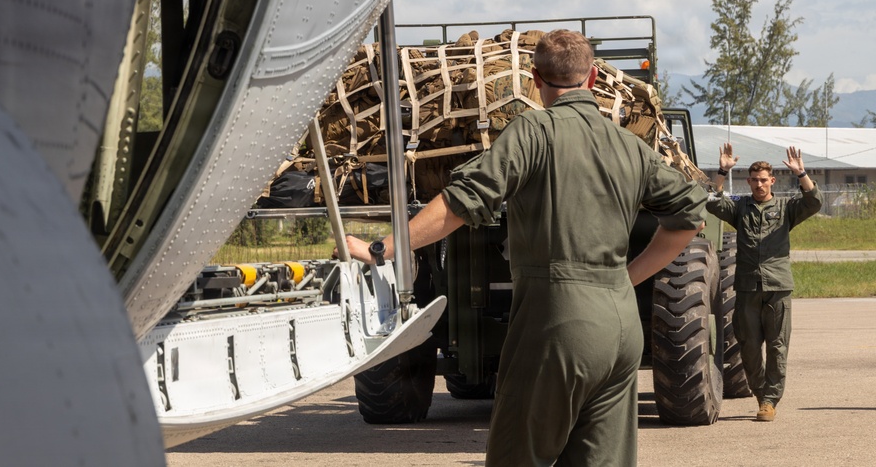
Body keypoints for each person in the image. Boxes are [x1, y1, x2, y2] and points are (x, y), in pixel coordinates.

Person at [346, 30, 707, 466]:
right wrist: (627, 278)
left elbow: (462, 201)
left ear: (535, 78)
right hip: (621, 330)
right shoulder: (629, 146)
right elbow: (691, 216)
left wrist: (382, 250)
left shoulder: (534, 130)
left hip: (557, 323)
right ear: (593, 78)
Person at [708, 143, 822, 422]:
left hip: (777, 287)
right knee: (748, 345)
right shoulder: (740, 207)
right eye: (755, 180)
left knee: (777, 345)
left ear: (772, 181)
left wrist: (801, 173)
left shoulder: (785, 208)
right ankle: (760, 394)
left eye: (764, 180)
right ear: (748, 181)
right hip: (747, 288)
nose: (759, 184)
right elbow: (712, 202)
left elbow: (814, 202)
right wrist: (722, 171)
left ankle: (770, 400)